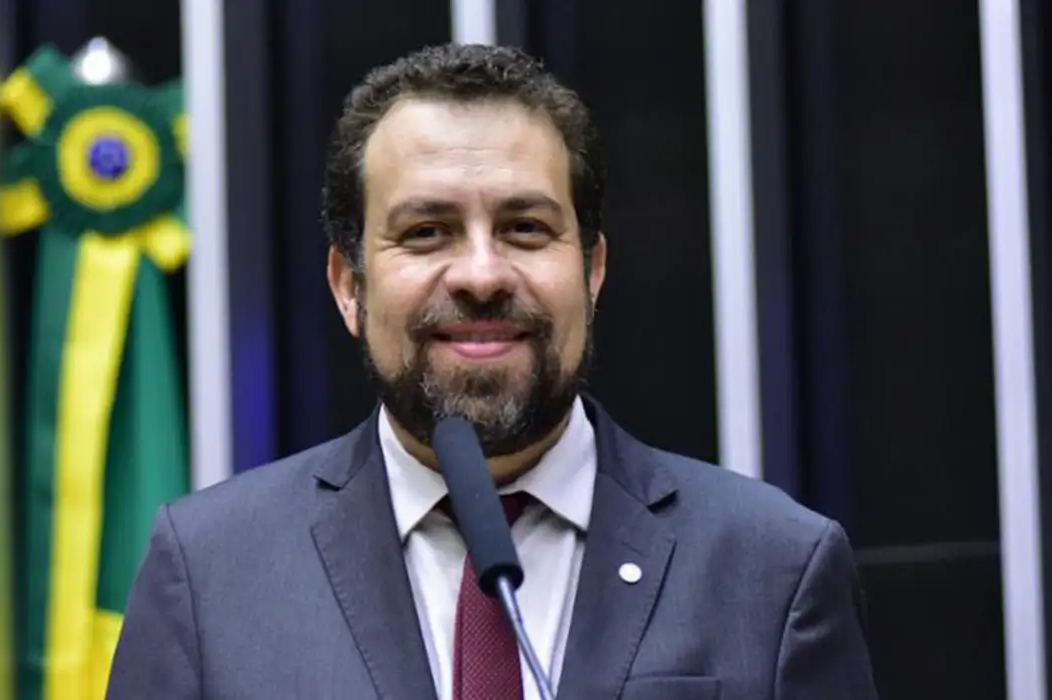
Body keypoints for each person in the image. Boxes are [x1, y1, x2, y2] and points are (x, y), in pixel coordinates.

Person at [107, 43, 877, 699]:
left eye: (525, 228)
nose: (481, 274)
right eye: (427, 231)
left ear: (592, 270)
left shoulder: (772, 567)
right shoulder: (211, 572)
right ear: (348, 286)